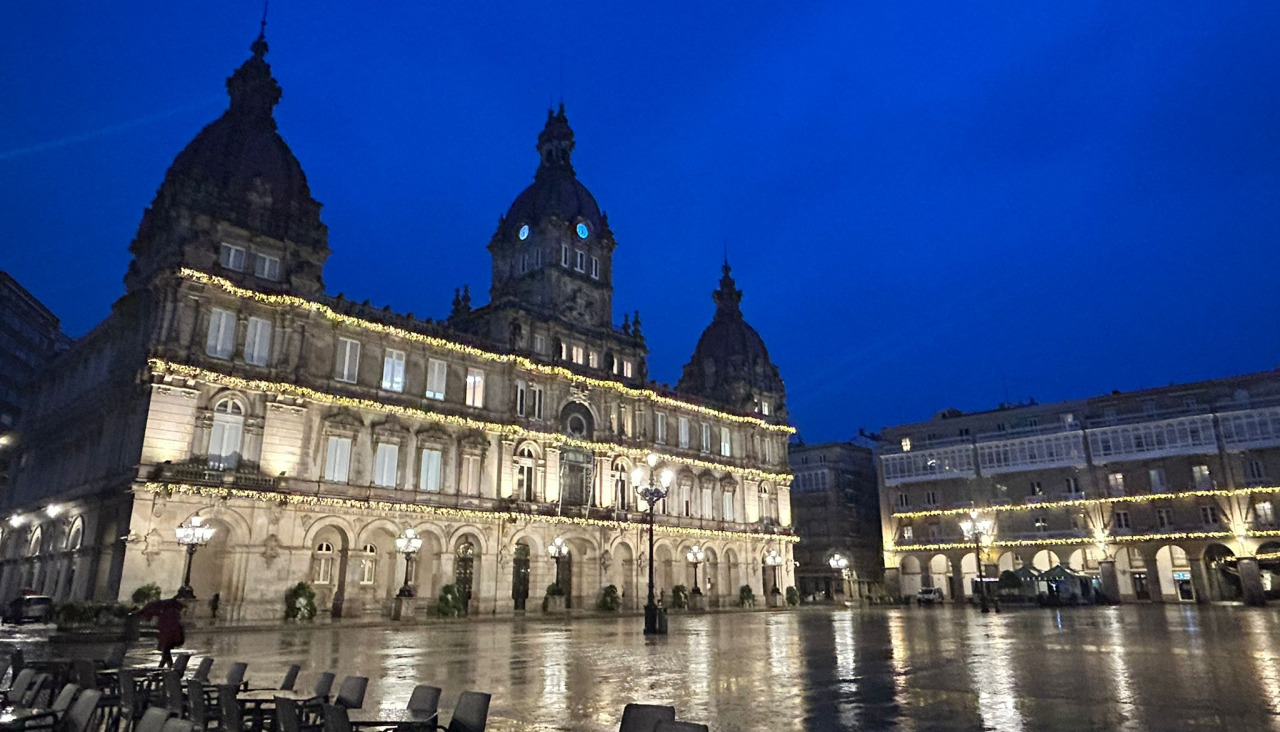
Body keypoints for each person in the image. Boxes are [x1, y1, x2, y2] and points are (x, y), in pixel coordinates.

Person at [138, 597, 186, 668]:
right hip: (172, 634)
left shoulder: (165, 612)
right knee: (166, 651)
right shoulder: (170, 611)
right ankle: (164, 667)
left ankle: (166, 667)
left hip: (169, 634)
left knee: (166, 650)